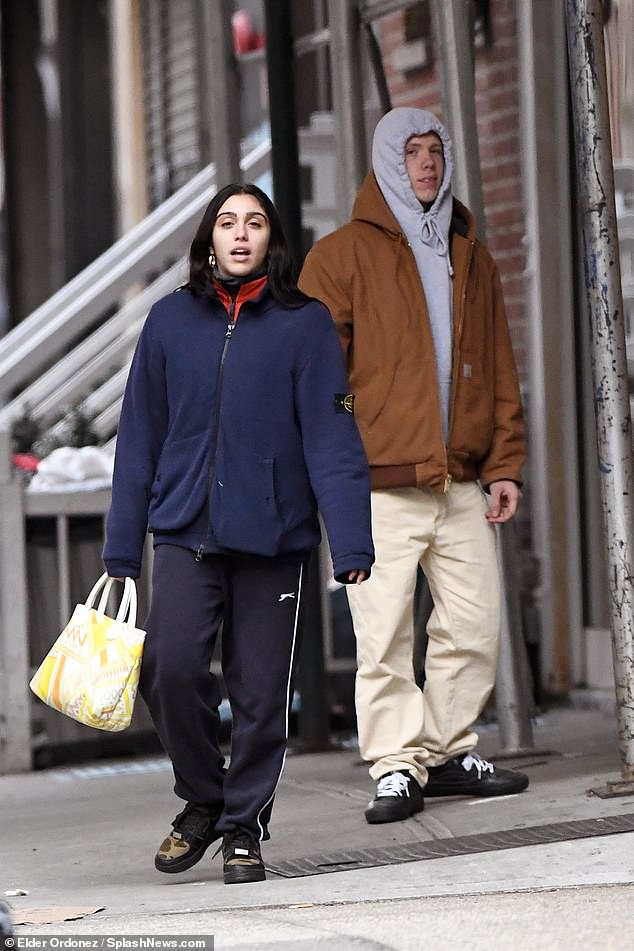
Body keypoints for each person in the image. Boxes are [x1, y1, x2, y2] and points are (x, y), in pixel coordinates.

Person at [103, 182, 374, 882]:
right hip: (185, 527)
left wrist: (350, 541)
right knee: (167, 665)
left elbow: (332, 434)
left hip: (272, 539)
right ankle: (203, 797)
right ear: (210, 239)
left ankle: (243, 826)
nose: (241, 233)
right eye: (227, 222)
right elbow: (139, 437)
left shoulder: (305, 324)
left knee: (260, 695)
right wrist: (121, 548)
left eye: (254, 222)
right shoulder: (168, 322)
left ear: (271, 239)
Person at [299, 107, 529, 825]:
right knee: (384, 635)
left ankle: (444, 749)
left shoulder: (473, 255)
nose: (427, 165)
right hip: (377, 486)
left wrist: (505, 464)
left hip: (460, 480)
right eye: (413, 154)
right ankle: (396, 765)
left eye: (436, 152)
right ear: (386, 165)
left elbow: (497, 368)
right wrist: (332, 472)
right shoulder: (338, 257)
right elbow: (313, 380)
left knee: (475, 622)